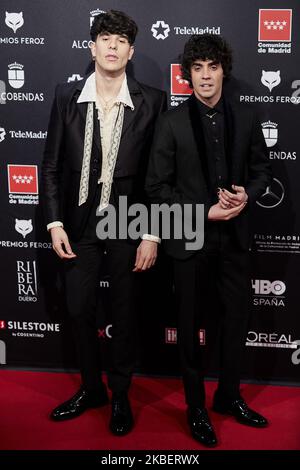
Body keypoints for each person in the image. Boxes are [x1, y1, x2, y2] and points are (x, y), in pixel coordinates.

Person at [41, 10, 166, 436]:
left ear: (131, 52)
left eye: (121, 41)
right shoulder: (66, 95)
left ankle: (121, 395)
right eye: (105, 38)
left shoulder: (153, 100)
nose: (112, 46)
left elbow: (157, 173)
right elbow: (52, 165)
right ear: (92, 47)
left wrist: (152, 232)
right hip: (77, 222)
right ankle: (91, 389)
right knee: (79, 308)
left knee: (125, 314)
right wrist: (54, 223)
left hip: (129, 220)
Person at [146, 34, 272, 447]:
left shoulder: (247, 118)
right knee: (189, 328)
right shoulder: (171, 122)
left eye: (211, 67)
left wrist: (247, 196)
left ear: (223, 71)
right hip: (189, 241)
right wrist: (204, 211)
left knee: (236, 324)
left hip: (234, 241)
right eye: (196, 68)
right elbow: (156, 189)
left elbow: (261, 172)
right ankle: (196, 408)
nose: (204, 76)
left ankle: (229, 397)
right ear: (187, 75)